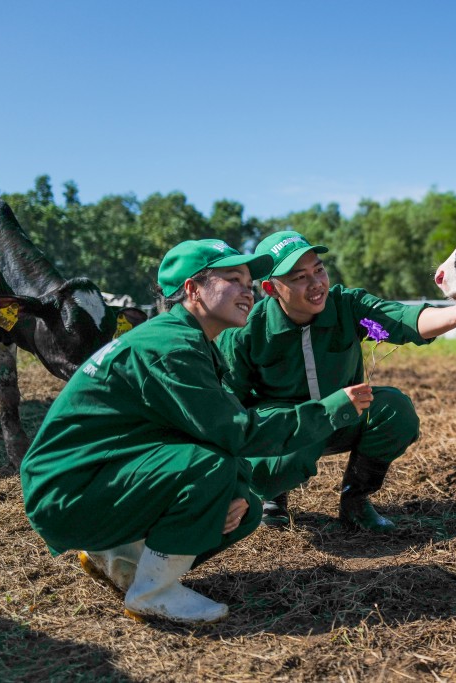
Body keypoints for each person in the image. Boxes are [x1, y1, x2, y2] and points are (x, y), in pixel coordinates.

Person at [19, 239, 370, 626]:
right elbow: (236, 432)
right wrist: (331, 409)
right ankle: (152, 592)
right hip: (70, 491)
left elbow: (209, 431)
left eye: (249, 283)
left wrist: (236, 486)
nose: (247, 291)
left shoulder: (182, 338)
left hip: (96, 478)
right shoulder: (172, 348)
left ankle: (122, 558)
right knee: (211, 468)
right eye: (233, 279)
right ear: (193, 290)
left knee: (245, 505)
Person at [216, 231, 456, 531]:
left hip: (344, 415)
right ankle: (272, 495)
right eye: (300, 277)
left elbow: (402, 319)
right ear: (271, 288)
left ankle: (355, 499)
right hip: (289, 431)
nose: (316, 283)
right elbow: (228, 409)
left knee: (395, 410)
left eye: (319, 270)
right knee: (280, 450)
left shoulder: (346, 304)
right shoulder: (246, 331)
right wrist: (229, 486)